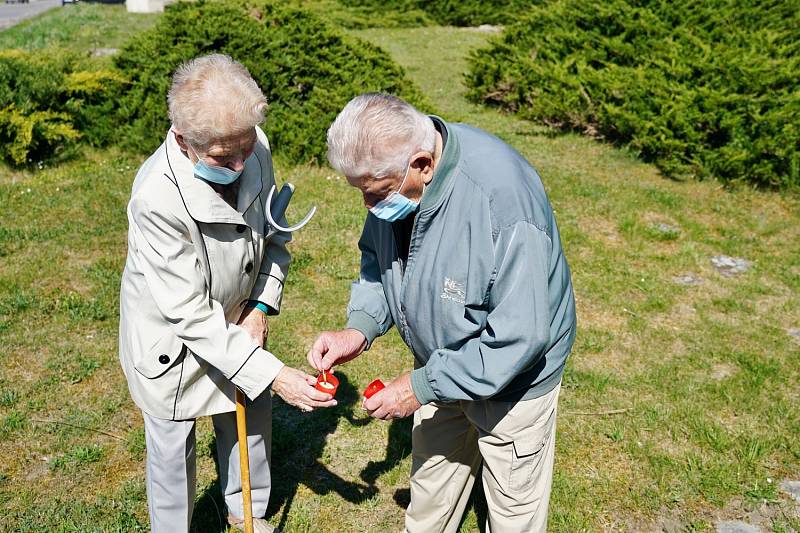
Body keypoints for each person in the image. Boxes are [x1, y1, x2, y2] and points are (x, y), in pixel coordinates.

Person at [308, 93, 576, 532]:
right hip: (441, 360)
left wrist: (420, 387)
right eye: (361, 193)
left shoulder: (503, 204)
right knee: (431, 495)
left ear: (422, 165)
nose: (368, 208)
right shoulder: (391, 179)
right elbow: (379, 263)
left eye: (374, 194)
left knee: (513, 514)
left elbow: (520, 337)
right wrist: (360, 328)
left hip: (514, 380)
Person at [119, 54, 335, 533]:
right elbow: (190, 315)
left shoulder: (253, 145)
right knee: (173, 454)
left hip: (241, 320)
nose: (241, 165)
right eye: (223, 157)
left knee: (251, 426)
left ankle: (247, 512)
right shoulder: (156, 198)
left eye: (245, 149)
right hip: (171, 342)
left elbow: (274, 237)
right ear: (183, 140)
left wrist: (259, 306)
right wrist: (275, 374)